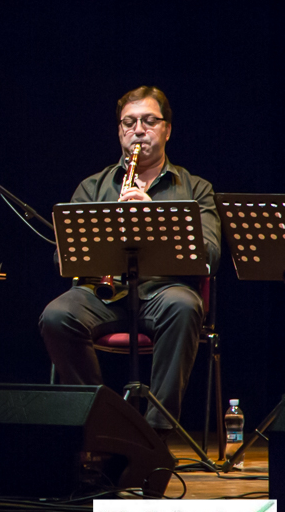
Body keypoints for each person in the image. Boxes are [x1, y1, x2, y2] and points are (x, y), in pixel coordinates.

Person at [39, 86, 220, 438]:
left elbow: (210, 255)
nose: (138, 130)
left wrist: (152, 214)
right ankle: (102, 421)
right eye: (129, 122)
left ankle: (154, 432)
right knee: (56, 316)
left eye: (149, 121)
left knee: (185, 307)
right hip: (103, 294)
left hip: (164, 292)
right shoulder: (93, 187)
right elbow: (65, 256)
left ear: (167, 129)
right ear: (119, 130)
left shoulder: (196, 188)